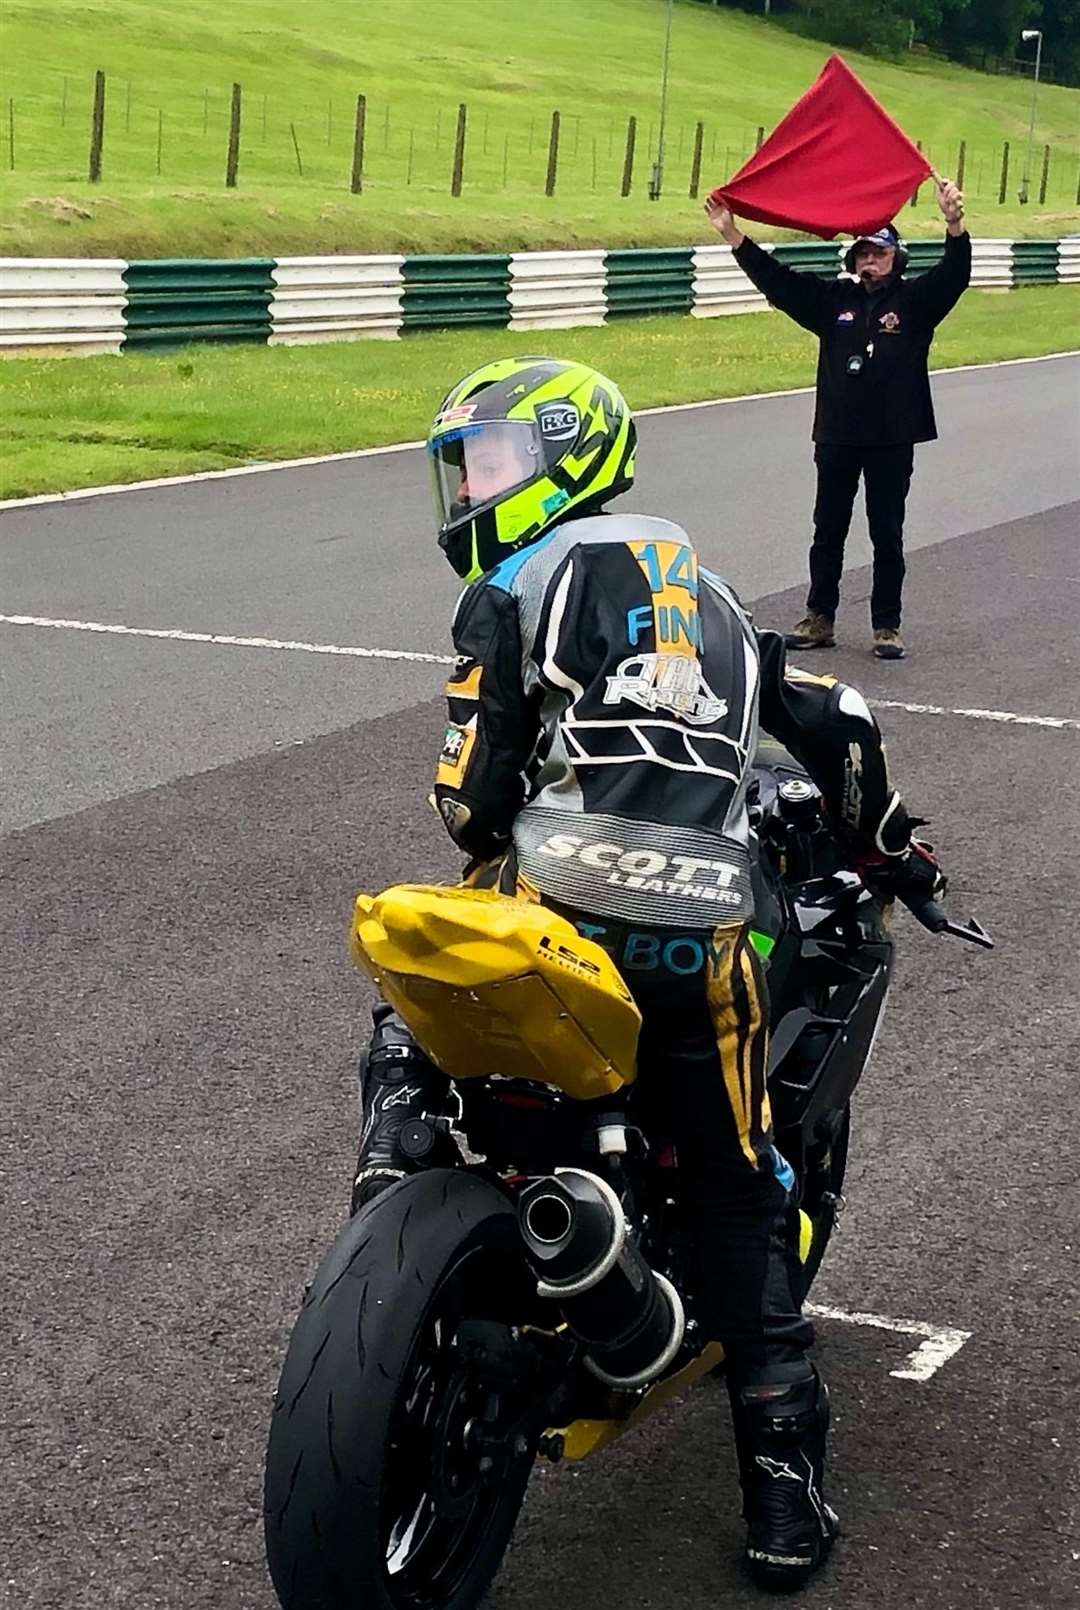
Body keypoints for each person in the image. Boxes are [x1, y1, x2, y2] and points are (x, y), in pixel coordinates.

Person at [351, 356, 944, 1588]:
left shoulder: (515, 588)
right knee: (735, 1188)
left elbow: (468, 804)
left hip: (558, 917)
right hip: (701, 937)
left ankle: (384, 1202)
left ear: (567, 463)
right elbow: (840, 722)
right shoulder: (719, 597)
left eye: (495, 464)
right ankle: (784, 1483)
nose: (475, 489)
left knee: (411, 1006)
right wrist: (888, 839)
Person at [706, 176, 969, 660]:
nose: (870, 262)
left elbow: (955, 275)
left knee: (886, 531)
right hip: (837, 435)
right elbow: (779, 283)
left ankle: (886, 626)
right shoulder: (833, 302)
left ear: (897, 258)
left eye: (879, 253)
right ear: (853, 260)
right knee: (828, 528)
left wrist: (954, 223)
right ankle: (819, 617)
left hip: (893, 436)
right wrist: (732, 235)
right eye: (863, 254)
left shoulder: (915, 302)